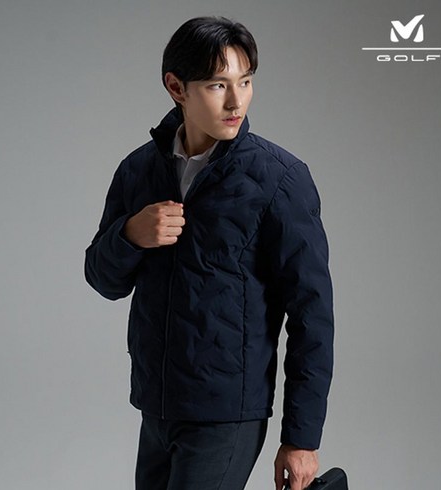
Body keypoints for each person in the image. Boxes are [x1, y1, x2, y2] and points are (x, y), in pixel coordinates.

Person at [84, 16, 334, 490]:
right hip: (156, 406)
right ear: (176, 87)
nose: (236, 101)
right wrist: (130, 235)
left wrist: (301, 438)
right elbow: (103, 280)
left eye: (246, 81)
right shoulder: (138, 171)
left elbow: (312, 315)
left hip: (226, 415)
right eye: (218, 85)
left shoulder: (278, 179)